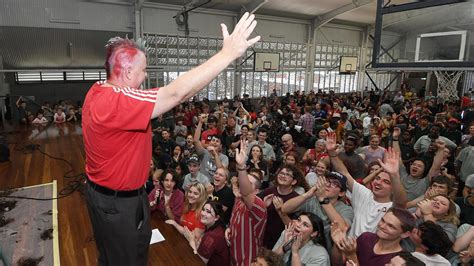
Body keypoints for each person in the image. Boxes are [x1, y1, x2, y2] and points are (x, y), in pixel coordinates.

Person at [82, 12, 260, 265]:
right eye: (143, 71)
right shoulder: (117, 101)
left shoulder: (96, 91)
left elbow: (179, 95)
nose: (144, 77)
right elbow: (176, 93)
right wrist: (228, 54)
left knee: (117, 255)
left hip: (110, 195)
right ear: (128, 70)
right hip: (117, 203)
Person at [327, 132, 408, 237]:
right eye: (377, 178)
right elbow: (344, 172)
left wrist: (394, 176)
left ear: (393, 189)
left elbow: (402, 202)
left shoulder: (392, 207)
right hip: (348, 247)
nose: (378, 182)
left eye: (386, 182)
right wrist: (332, 152)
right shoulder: (363, 193)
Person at [227, 140, 267, 265]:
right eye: (243, 181)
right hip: (233, 256)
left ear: (256, 191)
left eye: (249, 184)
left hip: (248, 261)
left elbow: (246, 192)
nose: (243, 184)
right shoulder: (238, 199)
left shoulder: (259, 206)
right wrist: (228, 229)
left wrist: (241, 167)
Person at [332, 208, 415, 265]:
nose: (382, 226)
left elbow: (350, 257)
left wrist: (352, 255)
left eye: (390, 226)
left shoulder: (399, 260)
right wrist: (338, 244)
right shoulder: (366, 238)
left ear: (405, 234)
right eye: (382, 220)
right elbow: (338, 263)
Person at [185, 201, 230, 265]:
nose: (203, 213)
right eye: (203, 210)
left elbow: (199, 262)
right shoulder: (218, 228)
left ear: (216, 218)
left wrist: (191, 241)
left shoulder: (212, 236)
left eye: (208, 212)